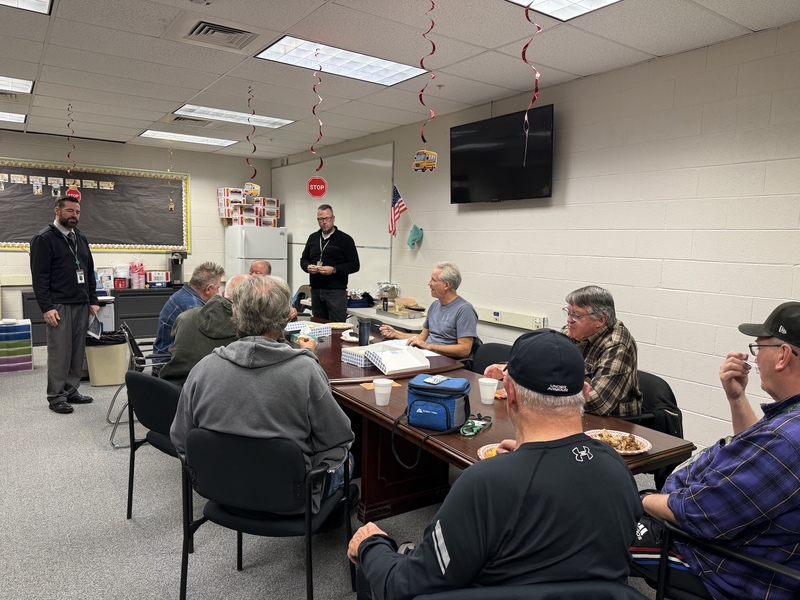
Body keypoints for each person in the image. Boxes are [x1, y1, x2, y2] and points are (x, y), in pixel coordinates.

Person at [348, 329, 643, 600]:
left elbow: (403, 586)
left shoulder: (483, 483)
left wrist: (370, 544)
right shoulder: (617, 467)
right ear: (585, 392)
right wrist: (530, 460)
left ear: (509, 391)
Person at [630, 302, 800, 600]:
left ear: (783, 355)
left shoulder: (786, 439)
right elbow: (757, 456)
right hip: (761, 548)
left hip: (723, 565)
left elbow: (700, 515)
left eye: (759, 348)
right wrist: (737, 398)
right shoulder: (788, 424)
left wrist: (642, 498)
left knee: (596, 529)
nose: (756, 360)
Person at [170, 274, 354, 511]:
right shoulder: (306, 371)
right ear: (288, 317)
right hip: (292, 498)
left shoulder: (203, 368)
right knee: (348, 458)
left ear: (234, 314)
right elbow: (338, 439)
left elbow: (180, 439)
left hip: (219, 489)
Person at [485, 285, 641, 416]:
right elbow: (542, 362)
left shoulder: (617, 345)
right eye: (569, 312)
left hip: (611, 425)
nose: (569, 320)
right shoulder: (571, 331)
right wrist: (510, 369)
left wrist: (541, 391)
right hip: (570, 412)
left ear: (601, 320)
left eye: (577, 315)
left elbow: (598, 402)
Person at [30, 197, 100, 414]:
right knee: (60, 352)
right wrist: (46, 307)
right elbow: (39, 277)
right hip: (58, 305)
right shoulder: (44, 239)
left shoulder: (80, 238)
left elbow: (88, 271)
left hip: (81, 303)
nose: (74, 216)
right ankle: (56, 396)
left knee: (77, 351)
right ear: (57, 211)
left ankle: (71, 390)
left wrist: (93, 300)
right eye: (70, 211)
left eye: (77, 212)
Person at [158, 274, 247, 388]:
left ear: (224, 293)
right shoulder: (246, 332)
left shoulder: (185, 316)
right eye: (217, 287)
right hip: (206, 395)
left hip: (171, 387)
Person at [379, 261, 478, 360]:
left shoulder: (464, 310)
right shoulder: (435, 305)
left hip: (446, 361)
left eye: (433, 280)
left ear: (446, 285)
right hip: (428, 355)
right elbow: (422, 337)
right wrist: (396, 334)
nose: (429, 283)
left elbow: (464, 350)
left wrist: (429, 346)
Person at [152, 262, 224, 366]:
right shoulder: (193, 307)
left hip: (163, 354)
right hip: (168, 364)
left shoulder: (185, 293)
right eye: (217, 288)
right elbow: (202, 342)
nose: (218, 292)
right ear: (208, 289)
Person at [300, 203, 360, 322]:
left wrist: (333, 270)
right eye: (320, 219)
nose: (324, 222)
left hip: (335, 292)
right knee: (318, 326)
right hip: (316, 290)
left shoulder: (345, 239)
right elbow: (303, 260)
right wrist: (307, 267)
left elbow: (354, 265)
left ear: (333, 219)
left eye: (327, 218)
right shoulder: (313, 238)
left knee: (336, 329)